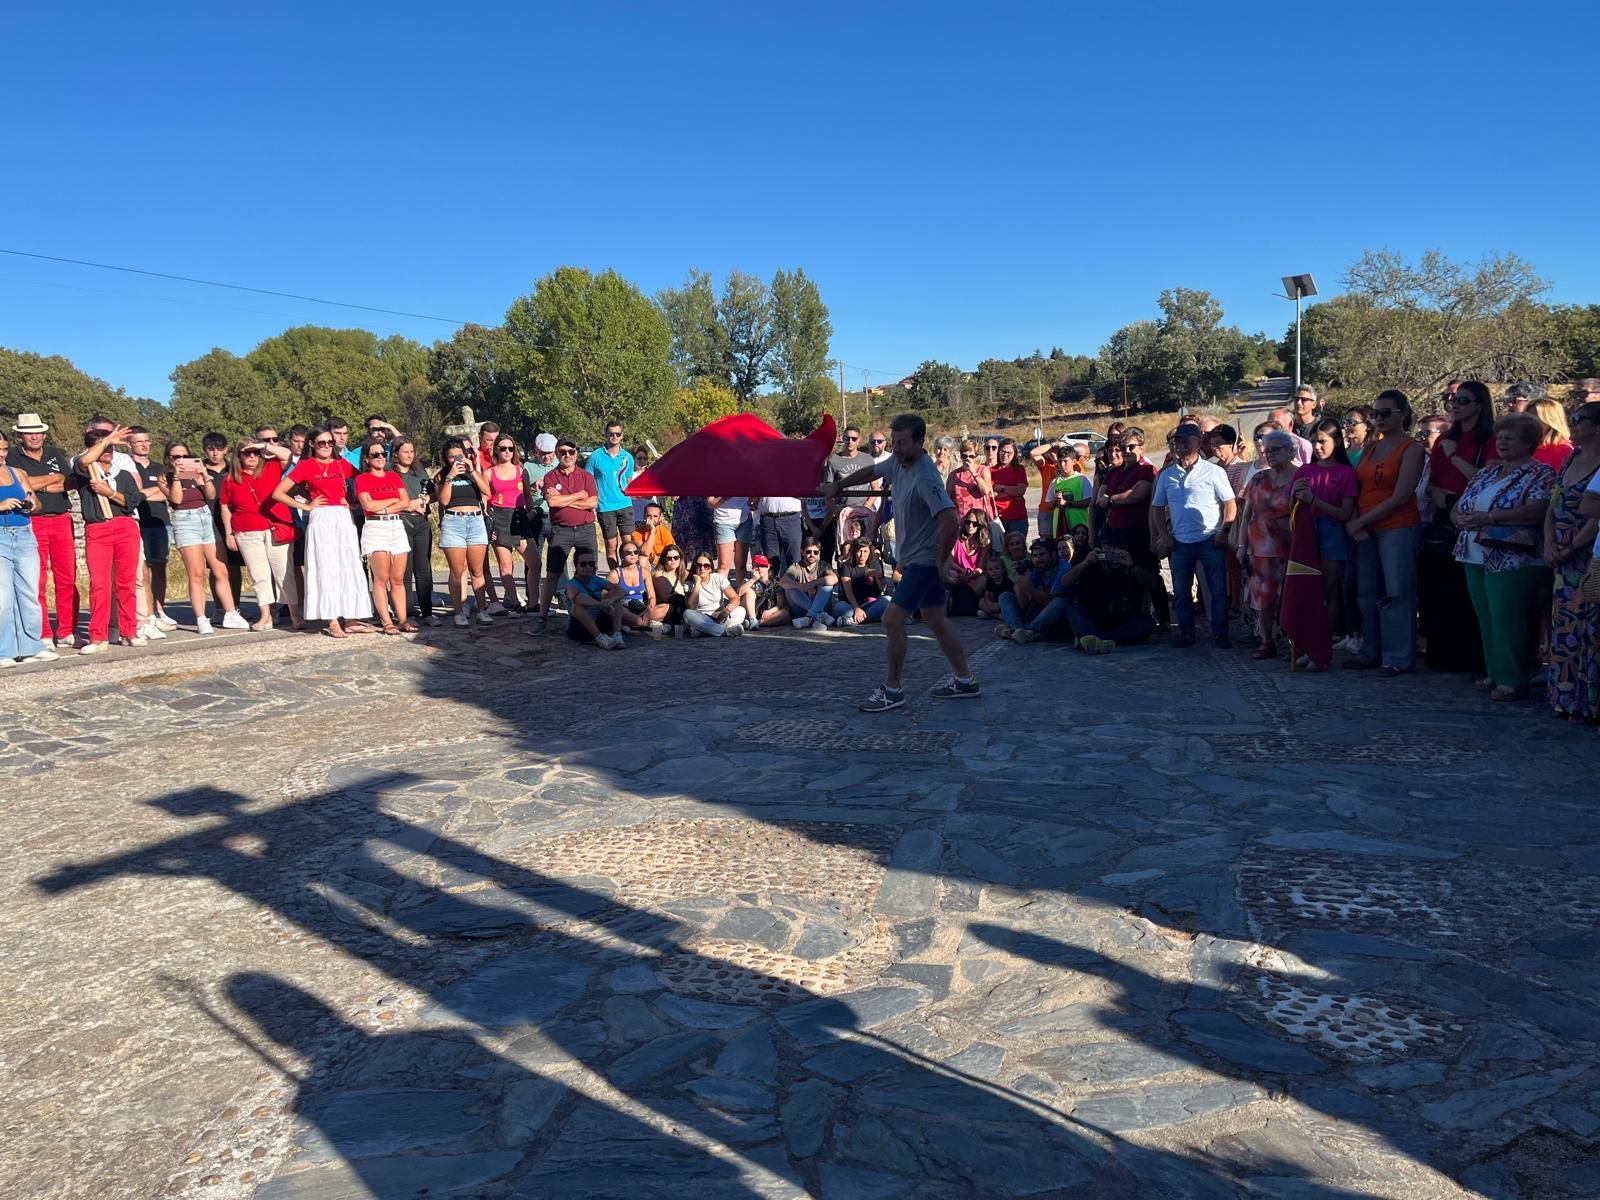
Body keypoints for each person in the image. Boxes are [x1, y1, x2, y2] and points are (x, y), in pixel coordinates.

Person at [823, 412, 979, 711]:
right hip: (917, 560)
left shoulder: (926, 476)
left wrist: (940, 561)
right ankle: (965, 679)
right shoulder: (897, 462)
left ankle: (892, 690)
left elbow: (950, 519)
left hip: (924, 561)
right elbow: (871, 472)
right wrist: (837, 487)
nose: (896, 447)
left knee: (891, 618)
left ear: (921, 442)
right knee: (935, 619)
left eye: (903, 442)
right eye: (894, 441)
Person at [1451, 413, 1555, 699]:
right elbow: (1462, 502)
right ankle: (1494, 671)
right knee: (1485, 616)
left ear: (1530, 442)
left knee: (1507, 617)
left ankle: (1512, 678)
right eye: (1501, 436)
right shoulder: (1487, 472)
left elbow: (1536, 510)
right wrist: (1459, 517)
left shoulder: (1541, 473)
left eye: (1511, 437)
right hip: (1473, 551)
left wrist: (1491, 517)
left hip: (1513, 557)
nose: (1503, 442)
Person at [1344, 391, 1427, 676]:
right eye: (1375, 413)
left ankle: (1397, 657)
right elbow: (1356, 487)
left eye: (1385, 413)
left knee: (1397, 592)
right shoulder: (1369, 448)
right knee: (1366, 592)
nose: (1379, 419)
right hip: (1366, 529)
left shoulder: (1412, 448)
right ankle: (1371, 651)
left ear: (1402, 414)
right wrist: (1356, 520)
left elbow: (1402, 494)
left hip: (1398, 527)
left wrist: (1361, 520)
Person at [1421, 380, 1499, 675]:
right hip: (1445, 518)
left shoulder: (1490, 438)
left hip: (1476, 518)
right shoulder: (1444, 440)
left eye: (1463, 400)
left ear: (1480, 404)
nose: (1455, 404)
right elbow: (1430, 481)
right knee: (1441, 588)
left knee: (1470, 593)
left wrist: (1455, 456)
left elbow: (1488, 478)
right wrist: (1435, 492)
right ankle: (1443, 654)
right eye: (1451, 399)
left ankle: (1476, 658)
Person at [271, 426, 374, 639]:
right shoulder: (306, 466)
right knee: (326, 567)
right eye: (321, 443)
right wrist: (306, 505)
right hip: (321, 518)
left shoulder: (340, 464)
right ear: (312, 444)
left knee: (348, 565)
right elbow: (278, 492)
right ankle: (333, 619)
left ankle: (352, 618)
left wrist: (354, 501)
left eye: (330, 442)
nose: (327, 446)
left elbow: (363, 480)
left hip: (343, 517)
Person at [1151, 422, 1237, 649]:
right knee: (1181, 592)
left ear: (1198, 442)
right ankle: (1187, 633)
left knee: (1217, 590)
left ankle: (1220, 633)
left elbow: (1230, 503)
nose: (1180, 447)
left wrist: (1223, 531)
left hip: (1210, 539)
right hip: (1180, 542)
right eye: (1177, 442)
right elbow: (1157, 507)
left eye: (1185, 442)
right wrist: (1164, 535)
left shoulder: (1214, 471)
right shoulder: (1167, 475)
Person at [1544, 401, 1600, 722]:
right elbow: (1553, 505)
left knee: (1588, 627)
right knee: (1564, 625)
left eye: (1580, 419)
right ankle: (1564, 698)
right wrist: (1551, 542)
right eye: (1572, 418)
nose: (1574, 424)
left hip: (1588, 553)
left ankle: (1587, 702)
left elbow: (1595, 516)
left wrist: (1571, 546)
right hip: (1561, 557)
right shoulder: (1570, 460)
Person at [70, 431, 145, 653]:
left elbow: (130, 502)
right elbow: (84, 460)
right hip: (97, 529)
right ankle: (98, 637)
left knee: (126, 583)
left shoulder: (123, 475)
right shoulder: (84, 472)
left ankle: (130, 631)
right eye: (105, 448)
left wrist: (109, 492)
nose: (109, 452)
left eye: (111, 448)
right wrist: (105, 441)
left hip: (125, 527)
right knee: (100, 584)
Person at [163, 440, 247, 634]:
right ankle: (201, 617)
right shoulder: (165, 477)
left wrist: (204, 477)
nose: (181, 460)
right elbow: (176, 499)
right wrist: (176, 477)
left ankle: (231, 612)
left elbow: (211, 495)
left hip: (205, 517)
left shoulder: (197, 474)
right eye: (176, 457)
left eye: (185, 456)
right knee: (197, 573)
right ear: (169, 459)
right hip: (185, 520)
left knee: (221, 569)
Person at [8, 413, 77, 647]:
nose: (34, 436)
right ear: (20, 436)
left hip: (61, 519)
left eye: (38, 432)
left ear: (44, 434)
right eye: (29, 433)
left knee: (66, 577)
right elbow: (19, 483)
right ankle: (44, 632)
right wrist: (50, 480)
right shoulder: (13, 457)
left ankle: (66, 630)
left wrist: (37, 482)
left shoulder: (54, 453)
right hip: (33, 520)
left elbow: (69, 482)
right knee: (36, 580)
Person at [1291, 419, 1359, 650]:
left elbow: (1345, 513)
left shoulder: (1345, 473)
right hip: (1306, 532)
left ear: (1337, 442)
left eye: (1322, 441)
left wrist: (1314, 501)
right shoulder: (1304, 469)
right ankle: (1306, 639)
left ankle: (1325, 640)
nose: (1317, 447)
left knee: (1328, 588)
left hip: (1332, 532)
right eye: (1313, 442)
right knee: (1307, 587)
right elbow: (1291, 504)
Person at [219, 436, 299, 632]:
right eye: (247, 452)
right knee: (259, 575)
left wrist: (263, 445)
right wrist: (229, 532)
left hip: (275, 526)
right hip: (246, 530)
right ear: (239, 456)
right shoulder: (230, 479)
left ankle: (295, 613)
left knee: (283, 572)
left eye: (255, 452)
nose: (252, 456)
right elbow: (225, 506)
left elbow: (289, 455)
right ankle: (266, 615)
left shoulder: (271, 466)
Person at [1095, 433, 1170, 628]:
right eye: (1123, 447)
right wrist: (1119, 496)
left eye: (1131, 447)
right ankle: (1129, 618)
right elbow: (1099, 498)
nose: (1127, 451)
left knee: (1148, 575)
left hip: (1138, 532)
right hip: (1112, 532)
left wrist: (1112, 498)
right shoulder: (1113, 472)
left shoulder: (1147, 471)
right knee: (1117, 577)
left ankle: (1163, 619)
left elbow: (1137, 495)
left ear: (1141, 447)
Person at [1239, 430, 1299, 659]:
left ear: (1290, 451)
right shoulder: (1258, 479)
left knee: (1290, 595)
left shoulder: (1301, 476)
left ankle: (1294, 641)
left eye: (1276, 450)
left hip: (1291, 546)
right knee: (1263, 596)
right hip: (1260, 548)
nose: (1270, 454)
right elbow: (1246, 515)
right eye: (1267, 450)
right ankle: (1267, 640)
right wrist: (1241, 547)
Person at [533, 438, 599, 631]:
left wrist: (564, 500)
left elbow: (593, 503)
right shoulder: (551, 477)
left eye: (571, 451)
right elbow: (552, 503)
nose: (567, 455)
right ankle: (542, 618)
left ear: (576, 453)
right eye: (563, 452)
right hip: (561, 531)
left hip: (586, 529)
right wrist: (579, 495)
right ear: (556, 454)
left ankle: (594, 614)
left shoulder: (586, 476)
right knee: (552, 574)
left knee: (590, 573)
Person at [0, 429, 51, 665]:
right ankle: (5, 650)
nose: (1, 454)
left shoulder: (18, 473)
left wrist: (32, 503)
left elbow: (38, 503)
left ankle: (31, 645)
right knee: (3, 598)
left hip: (23, 534)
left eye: (3, 449)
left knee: (29, 593)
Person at [431, 437, 494, 628]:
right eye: (451, 457)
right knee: (457, 571)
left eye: (459, 455)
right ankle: (459, 611)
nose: (456, 459)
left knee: (477, 570)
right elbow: (443, 500)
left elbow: (486, 490)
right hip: (453, 521)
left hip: (475, 520)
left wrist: (472, 470)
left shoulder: (472, 472)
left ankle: (482, 610)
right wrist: (450, 475)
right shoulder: (441, 476)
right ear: (446, 459)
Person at [353, 440, 414, 634]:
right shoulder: (362, 479)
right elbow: (368, 506)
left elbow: (405, 502)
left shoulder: (393, 476)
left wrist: (385, 506)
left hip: (395, 525)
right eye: (375, 455)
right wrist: (392, 501)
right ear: (367, 459)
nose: (380, 458)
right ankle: (386, 621)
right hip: (376, 528)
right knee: (381, 577)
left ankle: (403, 619)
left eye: (382, 454)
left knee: (397, 578)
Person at [1058, 545, 1158, 652]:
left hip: (1118, 622)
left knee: (1148, 623)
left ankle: (1093, 638)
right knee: (1072, 607)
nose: (1112, 553)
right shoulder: (1092, 562)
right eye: (1108, 549)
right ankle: (1090, 637)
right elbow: (1064, 582)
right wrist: (1085, 563)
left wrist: (1132, 565)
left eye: (1116, 549)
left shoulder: (1129, 564)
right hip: (1092, 617)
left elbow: (1152, 582)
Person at [124, 426, 173, 640]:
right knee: (141, 572)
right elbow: (129, 495)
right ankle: (147, 614)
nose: (145, 445)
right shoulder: (126, 467)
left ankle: (160, 609)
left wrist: (142, 494)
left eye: (147, 441)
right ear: (129, 444)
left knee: (160, 568)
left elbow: (167, 493)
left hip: (160, 522)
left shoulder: (159, 467)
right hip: (138, 523)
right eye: (139, 441)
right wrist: (150, 493)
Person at [391, 437, 438, 627]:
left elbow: (434, 493)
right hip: (401, 522)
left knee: (423, 568)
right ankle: (407, 613)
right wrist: (408, 506)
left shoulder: (418, 471)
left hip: (421, 523)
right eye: (405, 451)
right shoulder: (390, 473)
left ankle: (427, 612)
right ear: (396, 453)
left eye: (412, 451)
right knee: (405, 570)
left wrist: (424, 500)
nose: (409, 455)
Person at [485, 434, 534, 614]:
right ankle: (515, 603)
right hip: (499, 516)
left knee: (534, 561)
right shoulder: (489, 472)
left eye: (510, 449)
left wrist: (531, 512)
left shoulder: (521, 471)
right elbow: (485, 498)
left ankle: (533, 601)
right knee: (505, 565)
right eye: (503, 448)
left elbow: (528, 495)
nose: (507, 452)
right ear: (496, 449)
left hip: (519, 516)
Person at [200, 431, 245, 609]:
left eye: (219, 449)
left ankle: (236, 606)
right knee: (217, 567)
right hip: (209, 521)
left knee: (234, 566)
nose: (215, 453)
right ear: (205, 451)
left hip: (232, 521)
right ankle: (220, 608)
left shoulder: (234, 469)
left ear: (226, 450)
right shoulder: (200, 470)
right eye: (211, 449)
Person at [996, 538, 1070, 643]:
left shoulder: (1064, 568)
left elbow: (1048, 600)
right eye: (1035, 556)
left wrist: (1028, 587)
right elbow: (1023, 603)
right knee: (1005, 596)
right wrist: (1019, 579)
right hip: (1036, 612)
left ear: (1053, 554)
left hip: (1056, 617)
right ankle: (1017, 630)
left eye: (1042, 555)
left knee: (1059, 602)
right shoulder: (1035, 568)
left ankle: (1026, 630)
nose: (1037, 559)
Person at [586, 420, 636, 567]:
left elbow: (628, 482)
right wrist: (592, 505)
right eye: (611, 434)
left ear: (622, 436)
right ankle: (615, 577)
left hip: (625, 505)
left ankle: (629, 577)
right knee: (611, 546)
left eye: (617, 434)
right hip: (605, 507)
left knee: (629, 546)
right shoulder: (595, 457)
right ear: (606, 435)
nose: (614, 436)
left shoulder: (628, 457)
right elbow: (589, 482)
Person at [563, 548, 625, 649]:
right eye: (583, 564)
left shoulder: (597, 580)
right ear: (576, 565)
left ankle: (617, 635)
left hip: (599, 622)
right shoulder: (571, 584)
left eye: (591, 564)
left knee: (616, 600)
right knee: (578, 607)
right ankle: (600, 638)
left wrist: (610, 600)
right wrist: (600, 604)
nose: (588, 567)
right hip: (580, 627)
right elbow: (576, 598)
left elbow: (620, 590)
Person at [521, 433, 557, 601]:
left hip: (556, 515)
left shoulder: (560, 465)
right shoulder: (527, 467)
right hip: (535, 516)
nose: (547, 456)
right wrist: (534, 487)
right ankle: (532, 596)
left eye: (550, 452)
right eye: (543, 452)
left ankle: (561, 593)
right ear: (536, 451)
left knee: (558, 558)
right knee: (533, 559)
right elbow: (521, 493)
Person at [607, 541, 669, 636]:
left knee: (668, 607)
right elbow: (606, 597)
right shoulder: (615, 574)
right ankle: (649, 625)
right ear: (622, 555)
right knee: (618, 610)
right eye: (628, 552)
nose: (633, 555)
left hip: (641, 608)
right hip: (624, 608)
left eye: (636, 552)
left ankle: (632, 625)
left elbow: (652, 596)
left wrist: (649, 608)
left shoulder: (644, 572)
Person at [682, 551, 747, 637]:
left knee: (741, 610)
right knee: (687, 614)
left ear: (710, 569)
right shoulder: (689, 584)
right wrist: (697, 583)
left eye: (706, 566)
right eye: (699, 565)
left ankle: (705, 631)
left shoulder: (718, 578)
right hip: (701, 618)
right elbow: (691, 607)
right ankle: (725, 631)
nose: (702, 568)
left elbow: (735, 598)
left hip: (719, 616)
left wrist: (728, 609)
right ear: (694, 566)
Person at [780, 537, 838, 628]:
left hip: (822, 606)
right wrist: (800, 586)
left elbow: (834, 579)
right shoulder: (796, 567)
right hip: (801, 611)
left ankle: (810, 617)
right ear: (802, 552)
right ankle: (818, 615)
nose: (812, 555)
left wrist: (814, 582)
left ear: (819, 553)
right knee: (790, 589)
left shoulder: (823, 565)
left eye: (815, 552)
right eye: (808, 552)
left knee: (827, 586)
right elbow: (782, 581)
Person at [943, 510, 990, 617]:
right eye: (968, 522)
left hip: (974, 574)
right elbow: (949, 560)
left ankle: (980, 604)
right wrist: (962, 571)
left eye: (975, 523)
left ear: (981, 525)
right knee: (950, 574)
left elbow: (980, 567)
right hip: (958, 570)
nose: (970, 526)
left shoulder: (985, 541)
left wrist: (971, 576)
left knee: (981, 585)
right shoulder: (957, 536)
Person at [833, 539, 890, 625]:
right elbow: (849, 593)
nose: (862, 555)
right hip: (850, 605)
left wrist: (879, 576)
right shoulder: (847, 567)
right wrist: (856, 608)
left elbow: (883, 588)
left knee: (887, 600)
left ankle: (852, 620)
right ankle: (867, 617)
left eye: (865, 551)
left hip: (870, 604)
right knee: (839, 608)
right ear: (855, 552)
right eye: (859, 551)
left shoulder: (873, 565)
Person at [1046, 444, 1094, 539]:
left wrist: (1067, 503)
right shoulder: (1055, 482)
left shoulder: (1081, 479)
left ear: (1074, 462)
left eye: (1065, 461)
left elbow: (1089, 501)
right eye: (1059, 462)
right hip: (1061, 527)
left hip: (1079, 527)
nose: (1062, 465)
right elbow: (1049, 505)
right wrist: (1056, 501)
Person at [945, 440, 994, 528]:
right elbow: (948, 500)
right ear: (960, 456)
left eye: (971, 456)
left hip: (979, 520)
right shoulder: (954, 475)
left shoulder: (983, 470)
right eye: (964, 456)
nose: (968, 459)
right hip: (961, 521)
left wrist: (973, 472)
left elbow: (986, 491)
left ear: (976, 457)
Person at [707, 492, 753, 583]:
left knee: (741, 564)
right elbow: (710, 503)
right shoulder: (713, 478)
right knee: (724, 565)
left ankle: (741, 594)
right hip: (723, 522)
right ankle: (719, 596)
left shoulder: (745, 477)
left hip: (744, 521)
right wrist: (724, 497)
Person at [989, 439, 1030, 540]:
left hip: (1017, 518)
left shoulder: (1019, 470)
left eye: (1009, 452)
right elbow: (991, 494)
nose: (1005, 455)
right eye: (1003, 451)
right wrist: (1013, 492)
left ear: (1015, 454)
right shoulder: (990, 471)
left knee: (1017, 550)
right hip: (997, 518)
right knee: (999, 552)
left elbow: (1020, 490)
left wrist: (1001, 488)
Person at [737, 554, 791, 630]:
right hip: (749, 611)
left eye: (762, 566)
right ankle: (752, 619)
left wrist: (771, 611)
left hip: (766, 613)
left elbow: (780, 604)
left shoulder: (775, 581)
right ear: (753, 567)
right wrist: (753, 579)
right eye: (756, 566)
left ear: (768, 567)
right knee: (749, 592)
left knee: (785, 613)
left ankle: (757, 623)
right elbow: (739, 592)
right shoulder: (749, 577)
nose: (759, 568)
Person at [756, 493, 804, 575]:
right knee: (770, 562)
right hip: (768, 519)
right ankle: (772, 586)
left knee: (795, 561)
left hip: (791, 518)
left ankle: (794, 587)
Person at [652, 546, 692, 634]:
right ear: (664, 559)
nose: (673, 560)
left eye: (676, 558)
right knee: (678, 599)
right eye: (669, 558)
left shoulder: (685, 575)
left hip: (682, 611)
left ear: (680, 559)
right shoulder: (659, 574)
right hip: (666, 612)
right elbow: (665, 597)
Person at [1531, 397, 1573, 470]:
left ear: (1550, 420)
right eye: (1527, 417)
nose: (1528, 422)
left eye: (1534, 418)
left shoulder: (1563, 449)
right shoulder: (1523, 446)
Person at [631, 501, 676, 567]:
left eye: (655, 516)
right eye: (649, 516)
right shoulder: (637, 533)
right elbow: (645, 552)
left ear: (660, 517)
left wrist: (657, 559)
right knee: (642, 559)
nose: (652, 519)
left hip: (663, 563)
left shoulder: (664, 531)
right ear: (644, 516)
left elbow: (672, 551)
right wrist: (652, 531)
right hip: (647, 565)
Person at [976, 551, 1013, 620]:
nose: (994, 571)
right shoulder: (990, 581)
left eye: (996, 568)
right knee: (980, 602)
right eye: (990, 569)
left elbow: (1009, 599)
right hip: (994, 603)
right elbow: (987, 595)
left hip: (1003, 604)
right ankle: (995, 615)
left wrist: (997, 605)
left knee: (995, 607)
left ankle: (992, 614)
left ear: (1002, 570)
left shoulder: (1007, 582)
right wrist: (989, 604)